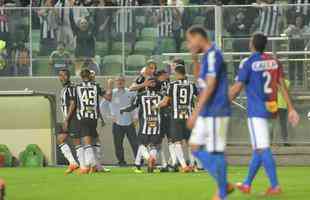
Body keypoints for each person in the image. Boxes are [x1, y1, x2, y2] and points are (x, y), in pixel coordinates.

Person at [229, 32, 300, 195]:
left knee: (262, 148)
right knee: (258, 149)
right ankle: (247, 183)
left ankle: (275, 185)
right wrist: (291, 108)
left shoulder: (247, 62)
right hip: (271, 108)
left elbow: (237, 88)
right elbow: (282, 85)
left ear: (251, 44)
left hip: (256, 111)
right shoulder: (274, 61)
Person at [185, 25, 234, 200]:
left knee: (216, 151)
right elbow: (202, 82)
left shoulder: (214, 54)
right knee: (195, 147)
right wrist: (195, 59)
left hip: (216, 110)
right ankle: (224, 184)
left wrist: (195, 112)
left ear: (198, 37)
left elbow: (211, 85)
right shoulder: (206, 57)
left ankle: (221, 194)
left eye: (189, 40)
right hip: (207, 111)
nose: (188, 44)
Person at [156, 64, 198, 172]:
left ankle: (184, 165)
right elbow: (198, 100)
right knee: (190, 142)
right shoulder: (192, 85)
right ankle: (192, 164)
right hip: (188, 116)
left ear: (178, 73)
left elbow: (165, 102)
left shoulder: (172, 85)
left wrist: (155, 106)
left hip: (176, 116)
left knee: (177, 142)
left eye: (174, 73)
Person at [121, 78, 162, 173]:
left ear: (147, 85)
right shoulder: (161, 96)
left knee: (141, 144)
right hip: (157, 124)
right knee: (153, 145)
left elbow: (132, 106)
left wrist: (123, 109)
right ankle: (143, 162)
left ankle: (148, 158)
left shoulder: (141, 95)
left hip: (145, 123)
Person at [105, 75, 138, 166]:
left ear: (125, 82)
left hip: (130, 122)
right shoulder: (112, 93)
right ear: (115, 82)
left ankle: (139, 161)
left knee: (135, 143)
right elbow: (103, 106)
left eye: (122, 80)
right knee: (118, 144)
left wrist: (136, 118)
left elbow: (136, 106)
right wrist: (110, 116)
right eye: (118, 80)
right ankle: (121, 162)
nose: (120, 82)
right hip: (117, 123)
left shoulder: (130, 92)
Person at [75, 69, 103, 174]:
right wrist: (109, 85)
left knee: (87, 143)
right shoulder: (96, 86)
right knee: (96, 141)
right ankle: (98, 166)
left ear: (81, 76)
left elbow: (74, 103)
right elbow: (108, 97)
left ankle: (91, 165)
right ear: (90, 76)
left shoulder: (77, 87)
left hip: (83, 117)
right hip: (93, 118)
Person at [57, 69, 82, 175]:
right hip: (68, 119)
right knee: (61, 139)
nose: (61, 77)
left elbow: (73, 103)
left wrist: (67, 119)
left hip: (73, 119)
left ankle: (84, 165)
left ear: (68, 76)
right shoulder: (64, 89)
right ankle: (73, 163)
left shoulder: (71, 87)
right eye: (59, 75)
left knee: (77, 142)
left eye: (63, 75)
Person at [277, 78, 290, 146]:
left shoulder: (286, 82)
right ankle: (284, 141)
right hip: (280, 106)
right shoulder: (287, 82)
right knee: (282, 124)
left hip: (278, 105)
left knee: (281, 124)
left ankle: (284, 141)